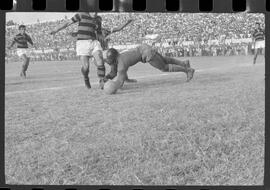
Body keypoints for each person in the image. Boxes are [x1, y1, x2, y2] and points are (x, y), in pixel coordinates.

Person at [102, 44, 194, 92]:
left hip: (146, 54)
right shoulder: (120, 57)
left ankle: (188, 70)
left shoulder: (121, 64)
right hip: (144, 48)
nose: (107, 61)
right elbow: (116, 72)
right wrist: (107, 78)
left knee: (164, 68)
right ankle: (184, 63)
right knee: (165, 60)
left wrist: (110, 86)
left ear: (113, 59)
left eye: (107, 59)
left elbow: (119, 82)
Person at [50, 12, 106, 89]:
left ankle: (102, 81)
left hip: (94, 42)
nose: (95, 13)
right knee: (86, 68)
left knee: (100, 61)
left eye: (97, 11)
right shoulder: (81, 14)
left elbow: (99, 32)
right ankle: (86, 78)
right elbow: (68, 23)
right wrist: (56, 29)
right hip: (82, 43)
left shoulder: (98, 19)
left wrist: (102, 38)